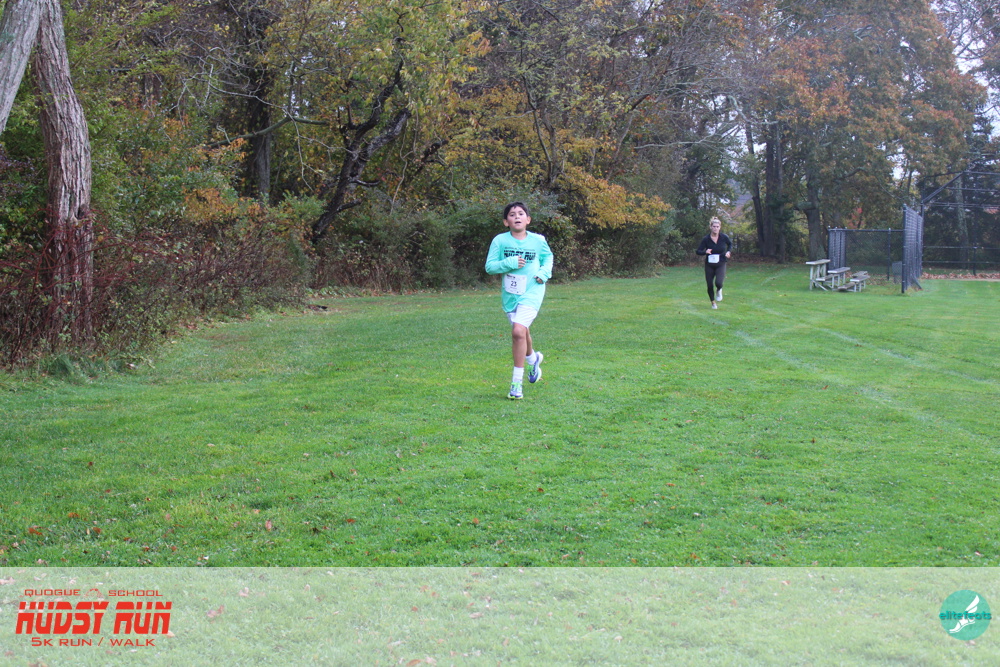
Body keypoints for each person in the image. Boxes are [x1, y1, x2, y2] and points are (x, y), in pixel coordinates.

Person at [485, 202, 553, 399]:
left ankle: (516, 383)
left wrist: (544, 273)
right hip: (511, 294)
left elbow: (548, 258)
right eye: (512, 214)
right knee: (522, 331)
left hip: (533, 290)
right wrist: (510, 262)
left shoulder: (538, 240)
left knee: (517, 331)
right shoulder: (500, 241)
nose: (517, 216)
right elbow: (490, 267)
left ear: (528, 219)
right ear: (506, 222)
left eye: (521, 213)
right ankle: (533, 359)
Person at [695, 217, 732, 309]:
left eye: (717, 226)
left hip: (721, 262)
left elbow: (730, 244)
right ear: (710, 227)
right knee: (710, 284)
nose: (715, 228)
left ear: (720, 227)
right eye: (714, 226)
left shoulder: (724, 237)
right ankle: (713, 303)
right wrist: (705, 252)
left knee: (718, 282)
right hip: (709, 265)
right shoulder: (706, 239)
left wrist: (728, 252)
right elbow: (698, 251)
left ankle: (719, 290)